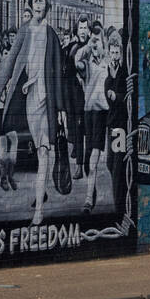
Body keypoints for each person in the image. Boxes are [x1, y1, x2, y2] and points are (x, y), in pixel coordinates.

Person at [0, 0, 66, 224]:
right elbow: (10, 62)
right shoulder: (24, 32)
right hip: (28, 100)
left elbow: (58, 74)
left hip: (47, 100)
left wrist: (61, 108)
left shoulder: (52, 35)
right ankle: (40, 191)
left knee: (44, 151)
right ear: (31, 4)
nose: (38, 4)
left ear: (47, 6)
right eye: (35, 0)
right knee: (37, 147)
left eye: (42, 1)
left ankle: (38, 211)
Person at [78, 21, 109, 212]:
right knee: (89, 156)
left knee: (94, 156)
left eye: (97, 40)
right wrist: (87, 46)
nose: (95, 43)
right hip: (87, 111)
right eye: (93, 40)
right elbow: (76, 61)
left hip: (101, 112)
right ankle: (92, 187)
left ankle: (88, 199)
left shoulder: (108, 62)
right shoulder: (87, 62)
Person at [104, 27, 129, 214]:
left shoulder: (123, 73)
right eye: (112, 52)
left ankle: (118, 206)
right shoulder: (110, 74)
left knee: (117, 166)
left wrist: (116, 95)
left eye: (117, 52)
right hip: (111, 125)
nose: (114, 55)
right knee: (109, 163)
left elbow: (124, 97)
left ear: (121, 52)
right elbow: (109, 96)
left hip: (120, 127)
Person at [63, 15, 91, 180]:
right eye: (80, 28)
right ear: (77, 30)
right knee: (78, 133)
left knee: (91, 135)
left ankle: (86, 164)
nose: (83, 31)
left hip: (90, 98)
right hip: (75, 99)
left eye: (85, 28)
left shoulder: (92, 47)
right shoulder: (71, 48)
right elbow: (65, 74)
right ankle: (79, 167)